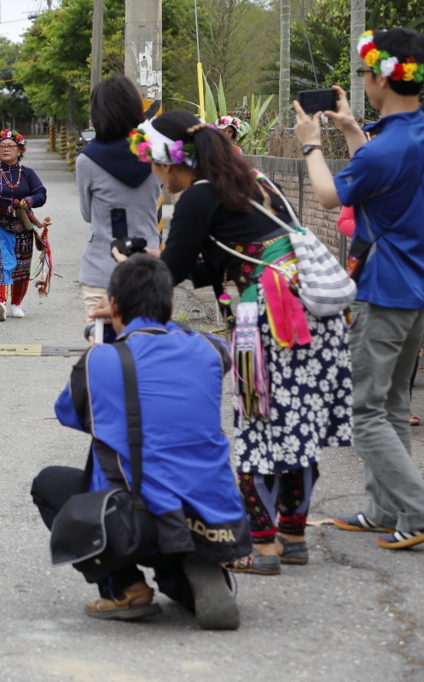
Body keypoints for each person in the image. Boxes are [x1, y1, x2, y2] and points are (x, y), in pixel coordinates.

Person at [114, 110, 352, 573]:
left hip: (269, 317)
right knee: (296, 426)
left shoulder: (198, 197)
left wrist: (129, 265)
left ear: (169, 160)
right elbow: (223, 262)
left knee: (259, 426)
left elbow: (175, 273)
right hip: (314, 311)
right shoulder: (251, 178)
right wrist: (157, 256)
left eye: (152, 162)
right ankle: (292, 537)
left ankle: (261, 549)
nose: (154, 174)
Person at [32, 255, 250, 629]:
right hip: (217, 512)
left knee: (50, 484)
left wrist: (102, 339)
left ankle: (127, 588)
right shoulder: (210, 351)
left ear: (113, 306)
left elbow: (68, 413)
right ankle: (190, 572)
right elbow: (210, 341)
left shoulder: (101, 360)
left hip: (139, 523)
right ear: (168, 307)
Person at [295, 27, 424, 549]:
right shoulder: (408, 137)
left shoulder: (381, 152)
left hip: (382, 291)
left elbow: (328, 196)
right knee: (392, 403)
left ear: (377, 78)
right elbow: (384, 177)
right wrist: (350, 130)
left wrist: (310, 146)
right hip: (414, 291)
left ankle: (415, 512)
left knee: (364, 410)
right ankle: (382, 509)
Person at [75, 76, 162, 318]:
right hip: (147, 265)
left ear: (97, 113)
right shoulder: (155, 153)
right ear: (136, 109)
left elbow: (87, 214)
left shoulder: (87, 160)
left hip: (100, 267)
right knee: (145, 344)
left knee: (103, 346)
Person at [0, 130, 47, 321]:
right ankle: (0, 303)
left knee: (21, 266)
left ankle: (16, 304)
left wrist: (29, 200)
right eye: (2, 146)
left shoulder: (28, 173)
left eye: (10, 146)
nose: (6, 149)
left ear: (19, 150)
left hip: (22, 224)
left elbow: (41, 194)